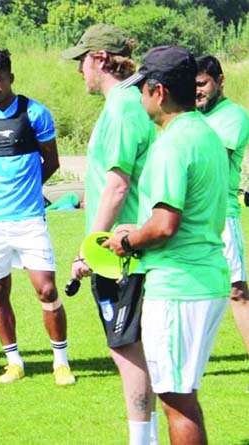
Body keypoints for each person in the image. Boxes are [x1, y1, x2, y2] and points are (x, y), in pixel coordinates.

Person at [105, 46, 230, 445]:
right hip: (205, 276)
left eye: (142, 88)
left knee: (176, 401)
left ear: (158, 92)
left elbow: (164, 226)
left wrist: (127, 239)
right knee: (183, 395)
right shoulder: (204, 133)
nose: (139, 97)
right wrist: (139, 228)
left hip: (179, 285)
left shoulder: (170, 145)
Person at [63, 24, 158, 444]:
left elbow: (118, 185)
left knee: (126, 347)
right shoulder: (128, 104)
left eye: (82, 60)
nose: (79, 70)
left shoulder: (122, 108)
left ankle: (143, 440)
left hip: (121, 254)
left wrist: (91, 246)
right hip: (125, 250)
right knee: (134, 347)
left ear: (100, 59)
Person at [0, 49, 75, 386]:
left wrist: (29, 189)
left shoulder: (35, 113)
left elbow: (51, 161)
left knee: (46, 290)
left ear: (11, 76)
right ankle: (13, 361)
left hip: (29, 219)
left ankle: (61, 362)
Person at [195, 54, 249, 393]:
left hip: (222, 215)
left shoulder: (234, 116)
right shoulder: (186, 116)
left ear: (220, 80)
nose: (197, 92)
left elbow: (213, 160)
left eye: (202, 84)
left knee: (236, 292)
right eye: (192, 86)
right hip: (186, 216)